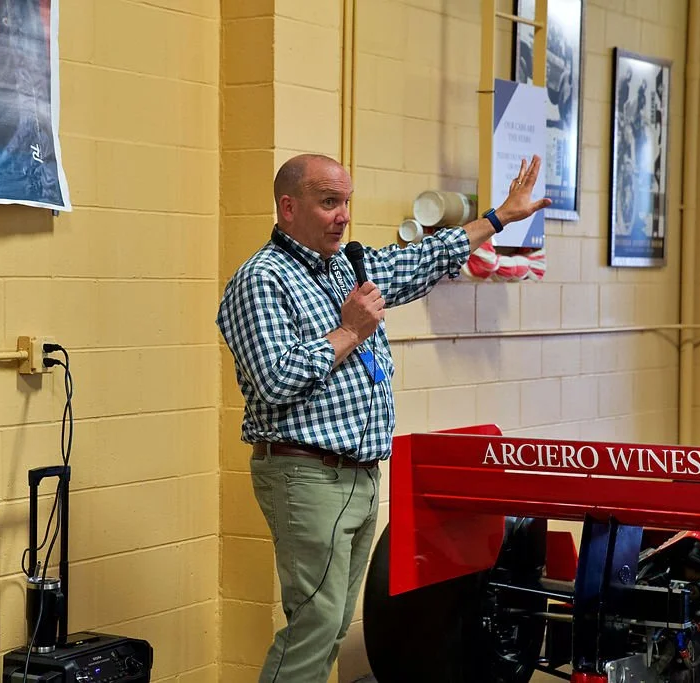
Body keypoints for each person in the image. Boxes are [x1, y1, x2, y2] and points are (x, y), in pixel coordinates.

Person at [216, 153, 550, 682]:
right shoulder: (261, 280)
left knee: (330, 626)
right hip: (307, 473)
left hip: (359, 475)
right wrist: (350, 331)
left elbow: (421, 260)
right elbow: (274, 379)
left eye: (346, 202)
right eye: (329, 202)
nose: (343, 215)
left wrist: (499, 217)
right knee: (314, 626)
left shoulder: (348, 265)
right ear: (288, 207)